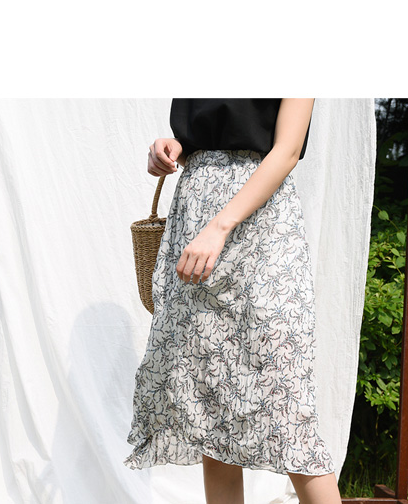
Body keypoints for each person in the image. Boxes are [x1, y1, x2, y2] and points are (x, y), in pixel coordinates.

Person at [125, 97, 341, 503]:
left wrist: (220, 226)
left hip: (257, 225)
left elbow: (287, 150)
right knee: (211, 406)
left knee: (287, 407)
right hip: (196, 219)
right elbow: (217, 129)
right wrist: (177, 148)